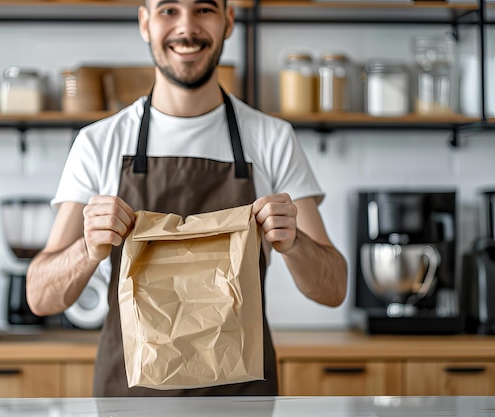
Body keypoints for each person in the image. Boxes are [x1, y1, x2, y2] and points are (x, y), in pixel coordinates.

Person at [27, 0, 347, 397]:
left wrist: (294, 243)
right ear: (145, 22)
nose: (187, 27)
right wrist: (87, 250)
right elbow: (40, 296)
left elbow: (334, 290)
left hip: (238, 401)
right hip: (132, 402)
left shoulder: (272, 139)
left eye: (204, 10)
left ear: (228, 21)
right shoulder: (98, 143)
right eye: (168, 10)